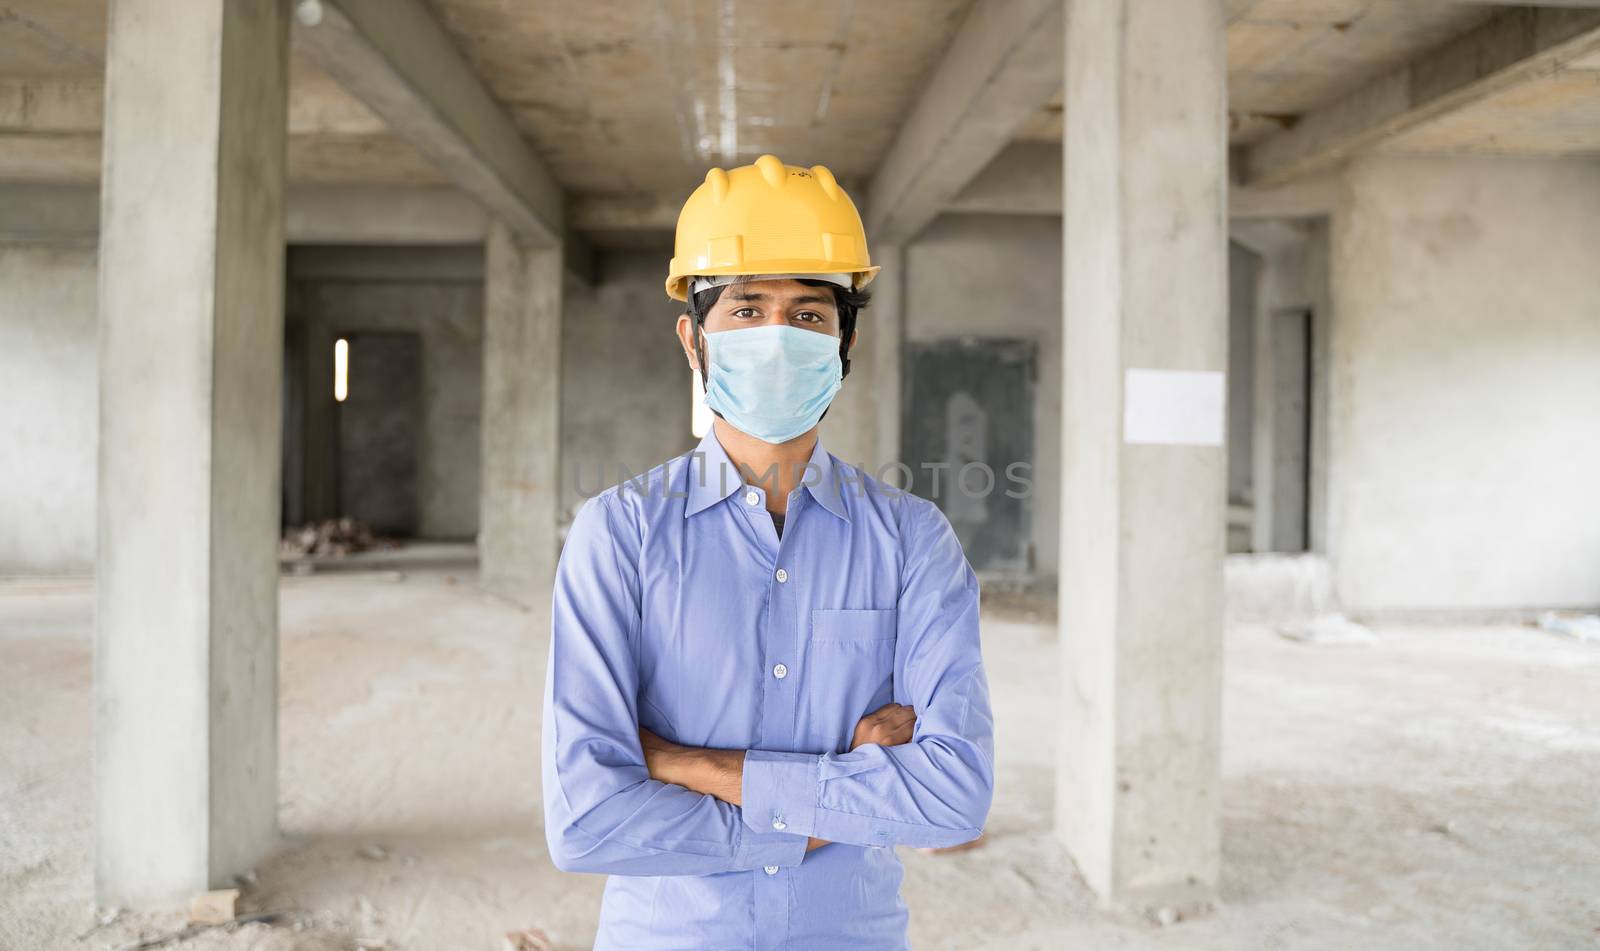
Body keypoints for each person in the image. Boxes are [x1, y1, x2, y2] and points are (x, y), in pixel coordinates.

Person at [541, 153, 995, 950]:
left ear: (845, 342)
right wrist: (827, 809)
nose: (779, 339)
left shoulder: (912, 540)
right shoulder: (620, 534)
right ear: (694, 339)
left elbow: (953, 797)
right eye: (747, 311)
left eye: (810, 315)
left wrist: (686, 764)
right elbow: (587, 820)